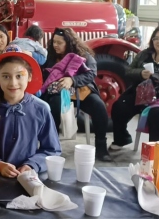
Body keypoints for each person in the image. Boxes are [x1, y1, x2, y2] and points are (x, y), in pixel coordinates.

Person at [0, 53, 60, 177]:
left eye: (19, 76)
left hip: (28, 177)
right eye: (6, 76)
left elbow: (52, 150)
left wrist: (32, 165)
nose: (13, 83)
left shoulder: (41, 109)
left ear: (29, 77)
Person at [40, 27, 112, 161]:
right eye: (54, 42)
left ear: (69, 43)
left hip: (81, 91)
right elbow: (43, 73)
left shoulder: (83, 55)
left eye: (59, 43)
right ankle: (50, 146)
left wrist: (72, 80)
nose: (55, 45)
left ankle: (101, 147)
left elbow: (91, 73)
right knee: (53, 106)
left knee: (99, 106)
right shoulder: (51, 56)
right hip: (58, 92)